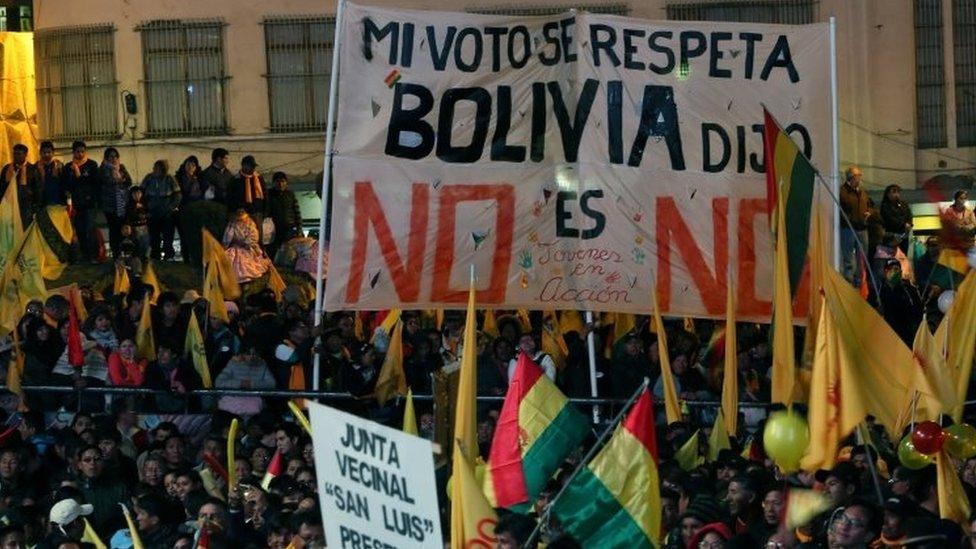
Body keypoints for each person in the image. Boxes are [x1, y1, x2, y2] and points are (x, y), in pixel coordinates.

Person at [61, 141, 101, 262]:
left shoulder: (92, 165)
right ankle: (83, 256)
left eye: (82, 151)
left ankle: (93, 256)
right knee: (79, 231)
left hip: (89, 203)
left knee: (90, 229)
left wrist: (79, 175)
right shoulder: (68, 167)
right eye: (78, 151)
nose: (80, 154)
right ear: (73, 152)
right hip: (75, 204)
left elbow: (95, 182)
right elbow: (65, 184)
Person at [141, 160, 181, 261]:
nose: (154, 170)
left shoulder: (170, 179)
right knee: (154, 237)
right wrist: (145, 209)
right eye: (154, 167)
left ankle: (169, 256)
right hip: (152, 213)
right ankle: (155, 257)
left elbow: (178, 195)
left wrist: (171, 207)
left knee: (168, 237)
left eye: (157, 168)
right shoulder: (148, 178)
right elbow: (141, 193)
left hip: (167, 214)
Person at [839, 166, 871, 287]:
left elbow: (870, 205)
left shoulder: (862, 192)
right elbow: (842, 209)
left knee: (862, 258)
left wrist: (869, 212)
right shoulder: (843, 191)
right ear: (851, 177)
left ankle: (860, 283)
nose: (860, 178)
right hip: (848, 228)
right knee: (849, 259)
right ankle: (849, 284)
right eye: (858, 176)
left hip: (862, 228)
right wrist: (849, 219)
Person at [878, 259, 923, 345]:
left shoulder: (908, 289)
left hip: (906, 333)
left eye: (896, 269)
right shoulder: (879, 290)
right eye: (890, 269)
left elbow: (917, 309)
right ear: (885, 272)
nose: (894, 272)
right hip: (888, 334)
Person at [98, 147, 132, 258]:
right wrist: (117, 180)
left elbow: (129, 181)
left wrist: (121, 179)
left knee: (124, 229)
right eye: (110, 157)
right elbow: (107, 182)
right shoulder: (103, 169)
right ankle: (116, 255)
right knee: (114, 230)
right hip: (110, 206)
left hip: (122, 203)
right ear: (106, 158)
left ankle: (126, 254)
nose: (113, 159)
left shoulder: (121, 168)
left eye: (115, 156)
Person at [223, 208, 271, 283]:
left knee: (247, 261)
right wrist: (227, 244)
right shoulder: (232, 223)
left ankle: (244, 275)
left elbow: (253, 235)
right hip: (235, 247)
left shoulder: (250, 223)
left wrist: (247, 243)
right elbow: (228, 236)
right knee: (230, 258)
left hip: (246, 247)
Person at [0, 143, 42, 226]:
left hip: (26, 208)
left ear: (26, 154)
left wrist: (35, 209)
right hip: (9, 207)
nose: (16, 156)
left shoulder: (32, 169)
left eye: (19, 154)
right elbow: (2, 188)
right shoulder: (7, 169)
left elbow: (37, 190)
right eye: (14, 154)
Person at [227, 155, 266, 238]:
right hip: (241, 215)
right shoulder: (235, 180)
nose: (252, 169)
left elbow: (265, 195)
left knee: (258, 238)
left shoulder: (258, 178)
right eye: (250, 166)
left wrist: (264, 212)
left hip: (257, 213)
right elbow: (230, 198)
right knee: (243, 238)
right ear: (243, 165)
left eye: (253, 167)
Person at [265, 171, 302, 258]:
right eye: (278, 181)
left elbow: (297, 212)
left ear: (286, 183)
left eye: (282, 181)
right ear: (273, 183)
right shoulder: (268, 195)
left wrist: (299, 228)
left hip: (289, 228)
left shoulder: (290, 195)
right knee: (272, 252)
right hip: (273, 229)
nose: (280, 184)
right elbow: (265, 212)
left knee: (289, 253)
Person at [879, 184, 913, 253]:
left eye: (898, 192)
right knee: (893, 256)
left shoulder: (903, 205)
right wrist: (903, 224)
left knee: (903, 256)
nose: (896, 194)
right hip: (892, 235)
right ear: (888, 194)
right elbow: (890, 219)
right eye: (894, 192)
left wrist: (909, 224)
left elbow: (909, 215)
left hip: (903, 235)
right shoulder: (885, 206)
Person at [125, 186, 150, 260]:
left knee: (146, 245)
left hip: (145, 227)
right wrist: (135, 208)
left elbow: (149, 213)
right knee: (137, 245)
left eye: (139, 193)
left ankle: (145, 259)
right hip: (135, 228)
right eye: (134, 194)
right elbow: (128, 216)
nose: (137, 195)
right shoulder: (129, 204)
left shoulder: (145, 203)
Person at [38, 140, 64, 205]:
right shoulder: (36, 167)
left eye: (49, 152)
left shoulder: (59, 166)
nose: (46, 154)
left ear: (53, 153)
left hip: (57, 201)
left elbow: (64, 182)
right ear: (40, 153)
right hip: (41, 202)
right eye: (44, 152)